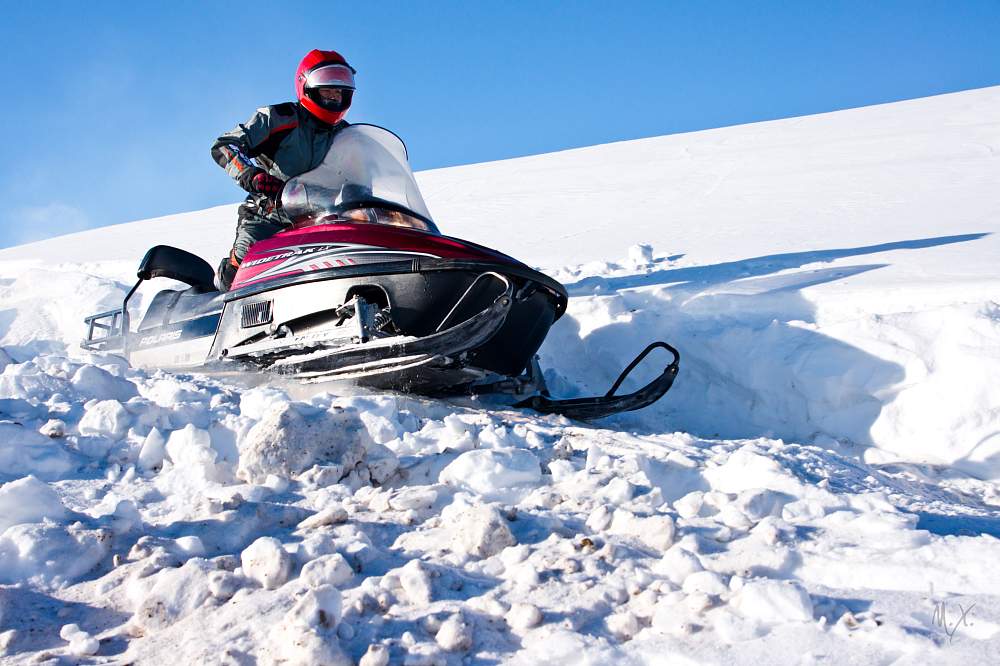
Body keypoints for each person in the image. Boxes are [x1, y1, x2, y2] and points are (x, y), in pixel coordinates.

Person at [211, 49, 357, 290]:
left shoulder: (348, 136)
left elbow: (365, 175)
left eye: (338, 90)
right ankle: (219, 299)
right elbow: (225, 147)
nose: (333, 96)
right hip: (269, 217)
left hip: (323, 220)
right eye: (327, 89)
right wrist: (252, 175)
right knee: (241, 271)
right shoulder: (279, 118)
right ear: (308, 88)